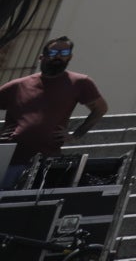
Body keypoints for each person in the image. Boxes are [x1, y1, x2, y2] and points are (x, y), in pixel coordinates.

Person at [0, 37, 107, 189]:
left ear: (69, 57)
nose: (58, 56)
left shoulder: (80, 83)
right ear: (41, 57)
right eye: (54, 52)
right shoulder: (18, 85)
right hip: (11, 160)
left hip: (46, 161)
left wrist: (76, 134)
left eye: (64, 52)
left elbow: (100, 109)